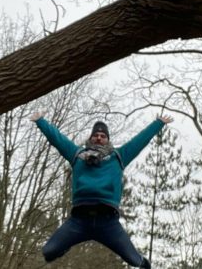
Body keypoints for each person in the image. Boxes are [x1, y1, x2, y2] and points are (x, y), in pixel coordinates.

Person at [29, 112, 174, 269]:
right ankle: (66, 244)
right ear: (91, 138)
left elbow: (139, 141)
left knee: (136, 262)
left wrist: (158, 123)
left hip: (108, 223)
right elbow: (58, 139)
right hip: (79, 221)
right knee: (48, 252)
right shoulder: (77, 155)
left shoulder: (118, 157)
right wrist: (40, 122)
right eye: (96, 135)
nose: (99, 137)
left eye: (103, 136)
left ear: (107, 140)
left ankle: (142, 262)